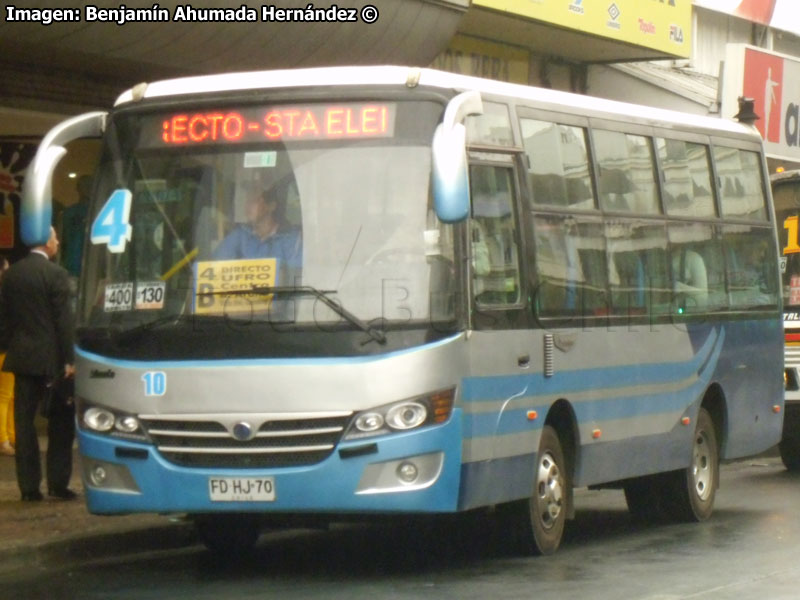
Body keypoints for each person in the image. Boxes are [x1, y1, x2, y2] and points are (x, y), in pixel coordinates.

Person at [0, 227, 76, 501]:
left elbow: (5, 318)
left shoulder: (12, 274)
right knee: (60, 422)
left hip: (21, 358)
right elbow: (63, 321)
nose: (57, 242)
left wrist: (9, 344)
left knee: (23, 423)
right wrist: (70, 358)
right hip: (51, 360)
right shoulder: (56, 274)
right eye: (55, 237)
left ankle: (29, 488)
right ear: (47, 242)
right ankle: (58, 483)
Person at [213, 181, 302, 275]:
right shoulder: (240, 235)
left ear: (271, 206)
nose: (248, 205)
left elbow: (296, 276)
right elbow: (215, 267)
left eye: (254, 200)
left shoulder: (290, 239)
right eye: (247, 200)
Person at [0, 256, 14, 456]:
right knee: (5, 396)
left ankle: (10, 435)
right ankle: (4, 439)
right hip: (4, 349)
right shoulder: (5, 295)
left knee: (9, 396)